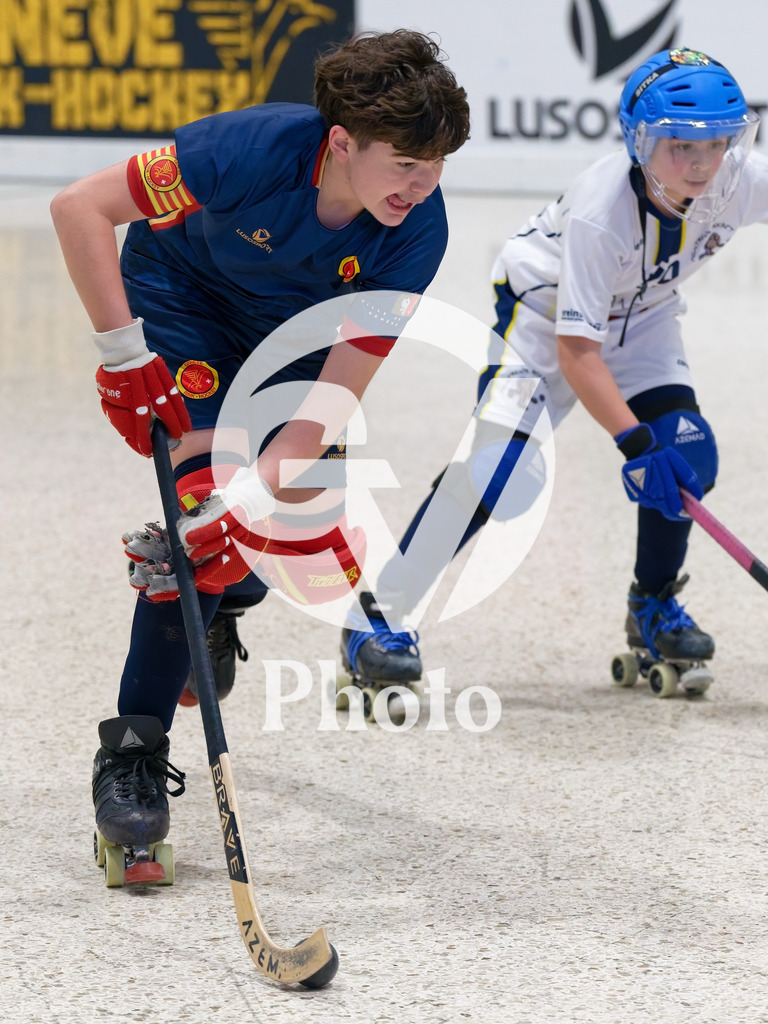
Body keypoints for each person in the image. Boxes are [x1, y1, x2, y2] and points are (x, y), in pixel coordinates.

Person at [50, 29, 470, 861]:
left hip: (297, 348)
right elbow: (79, 207)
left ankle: (227, 592)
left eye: (435, 171)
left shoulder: (417, 236)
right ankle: (130, 756)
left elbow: (329, 403)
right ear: (342, 144)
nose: (420, 190)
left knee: (249, 524)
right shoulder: (249, 150)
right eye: (403, 168)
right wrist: (121, 356)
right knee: (201, 524)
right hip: (183, 303)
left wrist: (245, 506)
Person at [340, 47, 767, 698]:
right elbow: (579, 354)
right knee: (495, 473)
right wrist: (634, 444)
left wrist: (656, 447)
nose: (703, 163)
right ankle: (377, 619)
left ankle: (651, 607)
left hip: (643, 318)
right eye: (681, 145)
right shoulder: (603, 211)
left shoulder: (738, 178)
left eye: (718, 143)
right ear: (640, 140)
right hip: (546, 322)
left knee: (687, 452)